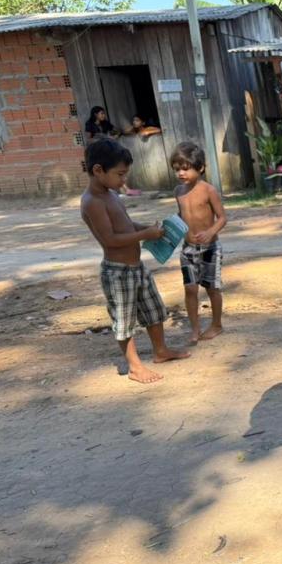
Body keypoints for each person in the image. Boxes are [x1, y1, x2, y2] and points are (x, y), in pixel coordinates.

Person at [80, 139, 190, 383]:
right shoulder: (92, 202)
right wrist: (144, 235)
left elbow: (127, 227)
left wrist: (149, 229)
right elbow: (110, 240)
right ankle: (135, 366)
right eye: (120, 174)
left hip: (136, 268)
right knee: (124, 319)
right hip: (117, 272)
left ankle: (160, 351)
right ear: (98, 170)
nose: (123, 180)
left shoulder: (111, 195)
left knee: (153, 310)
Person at [172, 142, 227, 343]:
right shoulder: (178, 192)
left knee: (212, 288)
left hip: (210, 248)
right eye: (177, 169)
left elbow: (222, 218)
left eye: (185, 168)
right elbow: (181, 216)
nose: (181, 173)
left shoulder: (208, 190)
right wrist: (171, 228)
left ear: (201, 167)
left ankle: (217, 324)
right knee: (190, 288)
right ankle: (194, 329)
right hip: (187, 249)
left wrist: (210, 231)